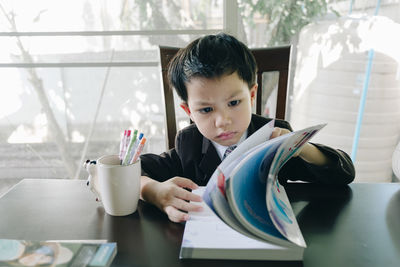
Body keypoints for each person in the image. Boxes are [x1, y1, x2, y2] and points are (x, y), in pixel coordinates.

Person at [140, 33, 355, 223]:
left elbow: (343, 174)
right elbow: (132, 170)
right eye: (206, 110)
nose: (222, 121)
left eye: (234, 103)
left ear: (251, 95)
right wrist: (152, 191)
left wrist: (301, 148)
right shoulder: (189, 144)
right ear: (189, 112)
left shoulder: (274, 135)